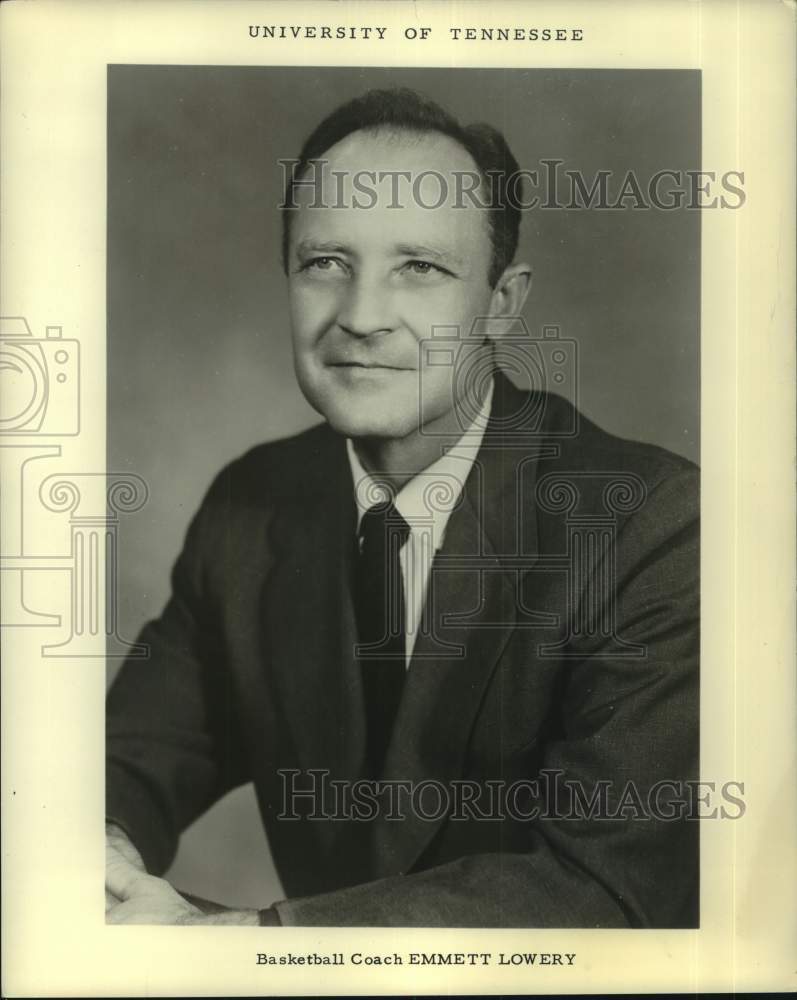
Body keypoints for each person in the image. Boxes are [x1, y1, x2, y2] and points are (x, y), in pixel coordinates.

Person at [105, 87, 699, 927]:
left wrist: (248, 942)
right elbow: (140, 748)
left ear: (501, 302)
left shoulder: (654, 526)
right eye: (325, 263)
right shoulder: (255, 502)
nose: (361, 317)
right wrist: (97, 848)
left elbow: (606, 892)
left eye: (418, 268)